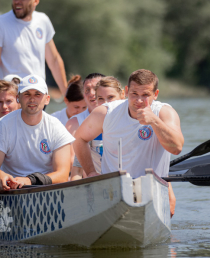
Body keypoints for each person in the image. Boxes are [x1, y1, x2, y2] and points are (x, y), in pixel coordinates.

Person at [73, 69, 184, 217]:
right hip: (112, 192)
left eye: (145, 95)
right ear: (126, 91)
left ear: (155, 94)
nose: (139, 100)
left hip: (153, 192)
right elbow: (79, 139)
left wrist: (154, 121)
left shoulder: (164, 113)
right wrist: (92, 173)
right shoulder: (106, 113)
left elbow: (177, 148)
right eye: (134, 94)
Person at [0, 75, 74, 192]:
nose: (32, 99)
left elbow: (63, 175)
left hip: (46, 190)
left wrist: (29, 180)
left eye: (37, 94)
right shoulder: (2, 125)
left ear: (47, 99)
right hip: (12, 190)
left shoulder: (57, 127)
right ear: (18, 98)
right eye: (27, 94)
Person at [0, 0, 68, 96]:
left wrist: (67, 95)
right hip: (12, 97)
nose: (17, 1)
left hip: (38, 95)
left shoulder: (43, 20)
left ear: (36, 0)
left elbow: (54, 60)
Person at [64, 72, 105, 180]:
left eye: (95, 88)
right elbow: (73, 164)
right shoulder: (74, 123)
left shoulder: (122, 117)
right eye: (87, 90)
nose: (91, 93)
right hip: (91, 182)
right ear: (84, 95)